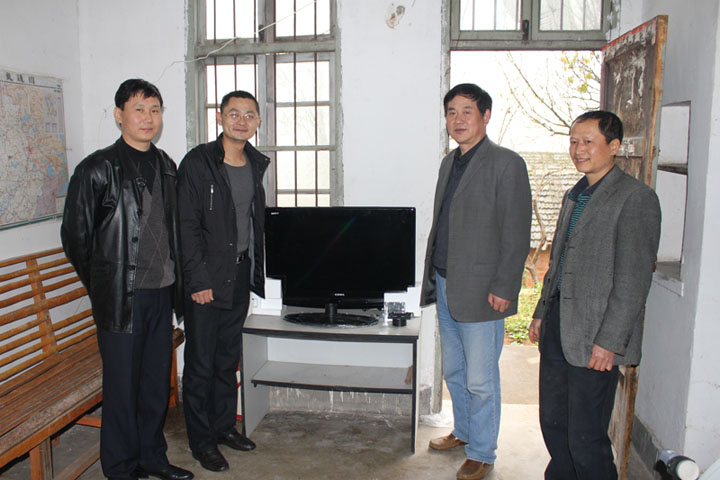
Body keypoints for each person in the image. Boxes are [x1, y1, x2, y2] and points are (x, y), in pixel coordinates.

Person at [61, 79, 193, 480]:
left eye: (155, 110)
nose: (148, 118)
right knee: (122, 388)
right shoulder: (97, 168)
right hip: (122, 299)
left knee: (154, 386)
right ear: (119, 115)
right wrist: (106, 284)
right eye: (139, 109)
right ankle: (119, 467)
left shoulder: (166, 165)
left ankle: (152, 457)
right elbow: (76, 237)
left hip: (161, 293)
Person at [529, 111, 661, 480]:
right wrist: (541, 311)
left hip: (595, 337)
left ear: (614, 146)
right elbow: (558, 261)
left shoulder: (635, 198)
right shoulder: (575, 194)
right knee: (554, 423)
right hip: (559, 326)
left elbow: (632, 281)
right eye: (574, 141)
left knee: (586, 437)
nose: (578, 149)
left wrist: (609, 342)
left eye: (588, 141)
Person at [420, 83, 532, 480]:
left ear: (485, 116)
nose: (458, 119)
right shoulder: (449, 162)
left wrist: (505, 286)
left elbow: (516, 232)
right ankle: (464, 431)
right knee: (454, 370)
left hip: (484, 289)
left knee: (481, 379)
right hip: (446, 281)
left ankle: (483, 451)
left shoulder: (506, 163)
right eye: (451, 112)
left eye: (467, 111)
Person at [177, 90, 269, 473]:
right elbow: (185, 225)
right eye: (233, 114)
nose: (241, 121)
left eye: (249, 115)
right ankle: (201, 443)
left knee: (227, 359)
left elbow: (251, 221)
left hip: (239, 275)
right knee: (201, 363)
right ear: (220, 118)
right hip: (206, 279)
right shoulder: (198, 162)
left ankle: (223, 427)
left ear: (258, 122)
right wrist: (197, 280)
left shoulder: (255, 163)